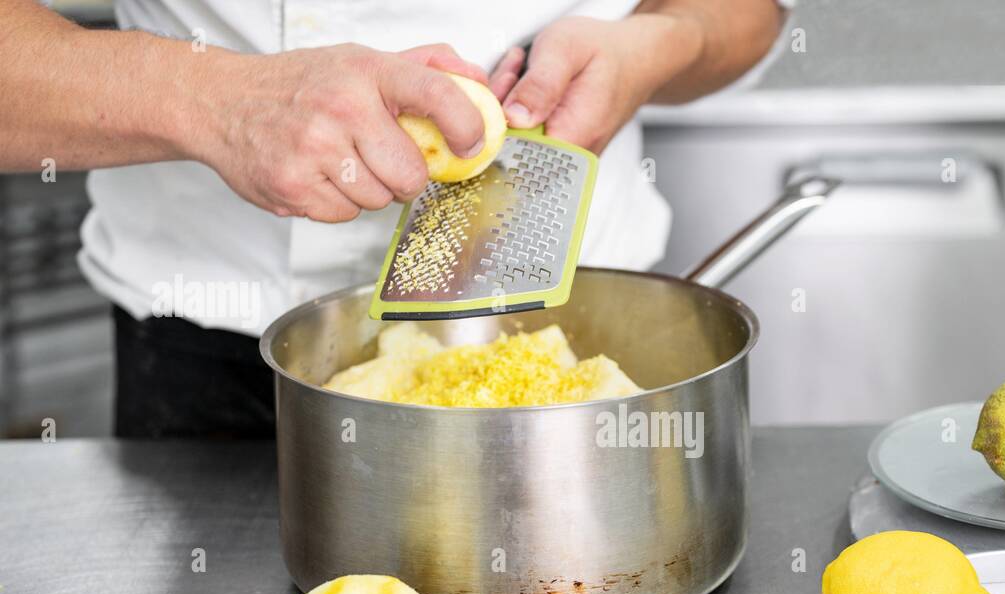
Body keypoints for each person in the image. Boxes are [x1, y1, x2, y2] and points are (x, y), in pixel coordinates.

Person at [0, 0, 786, 437]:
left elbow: (745, 13)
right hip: (207, 349)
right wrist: (210, 99)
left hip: (581, 340)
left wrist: (655, 43)